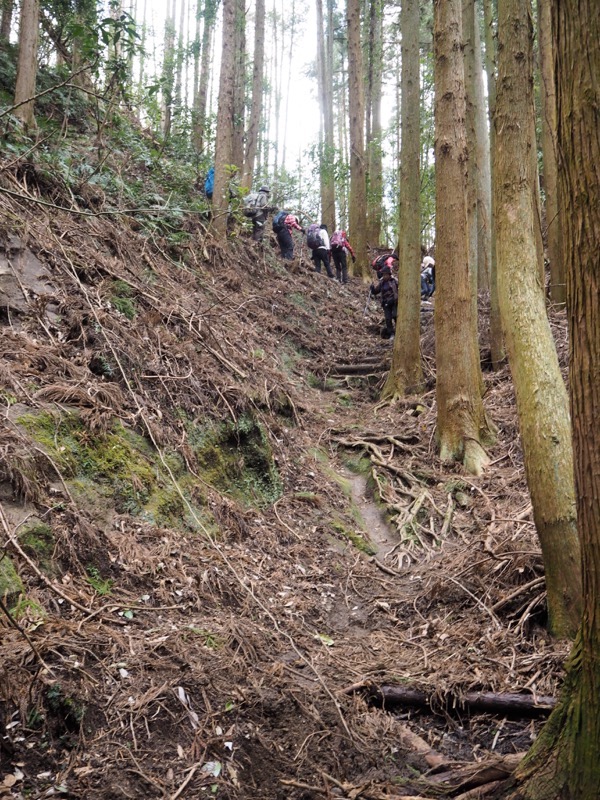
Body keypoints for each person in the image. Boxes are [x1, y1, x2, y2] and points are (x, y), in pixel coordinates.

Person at [371, 264, 398, 339]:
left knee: (395, 315)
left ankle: (398, 330)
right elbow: (376, 291)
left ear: (389, 275)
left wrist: (394, 299)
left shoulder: (394, 281)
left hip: (394, 302)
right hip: (385, 303)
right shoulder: (382, 283)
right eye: (383, 275)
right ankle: (391, 333)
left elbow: (399, 291)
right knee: (388, 318)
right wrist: (372, 289)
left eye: (386, 275)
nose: (385, 276)